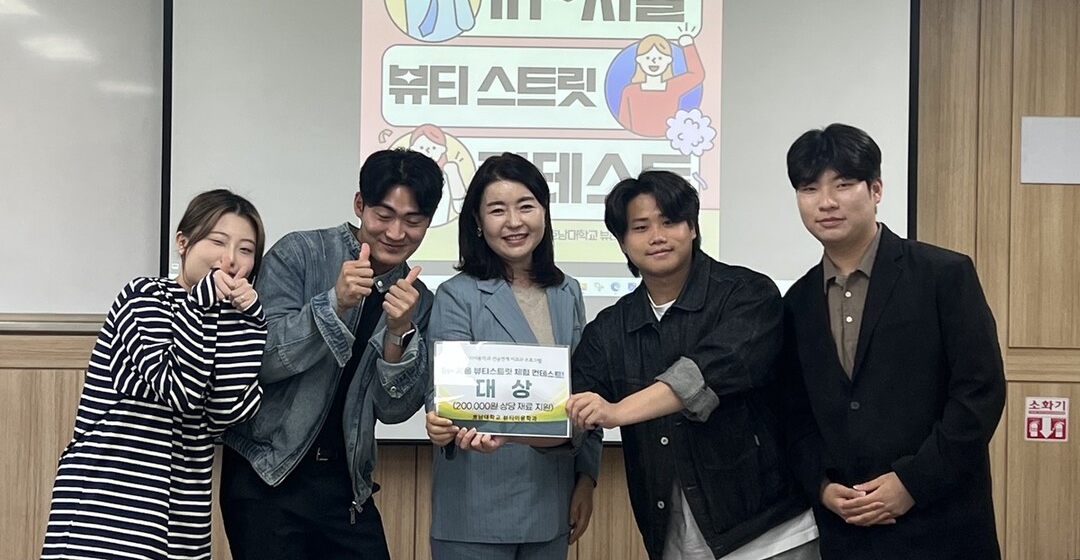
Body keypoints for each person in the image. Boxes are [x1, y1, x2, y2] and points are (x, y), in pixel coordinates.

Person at [782, 123, 1006, 559]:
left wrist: (912, 483)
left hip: (943, 524)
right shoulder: (796, 302)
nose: (825, 202)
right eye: (809, 188)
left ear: (876, 189)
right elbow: (793, 413)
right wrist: (822, 485)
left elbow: (980, 392)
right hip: (848, 532)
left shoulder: (944, 275)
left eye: (843, 184)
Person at [568, 171, 818, 560]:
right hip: (673, 538)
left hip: (771, 531)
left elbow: (704, 374)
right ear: (622, 241)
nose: (657, 236)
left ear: (693, 227)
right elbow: (570, 410)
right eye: (640, 227)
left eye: (669, 221)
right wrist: (505, 427)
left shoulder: (747, 294)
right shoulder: (609, 329)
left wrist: (615, 411)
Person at [220, 149, 443, 560]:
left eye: (413, 221)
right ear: (360, 205)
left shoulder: (418, 301)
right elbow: (260, 360)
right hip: (267, 474)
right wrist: (333, 303)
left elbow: (393, 411)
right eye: (384, 215)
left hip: (347, 488)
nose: (396, 232)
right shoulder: (300, 253)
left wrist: (399, 333)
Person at [42, 189, 268, 560]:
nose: (230, 258)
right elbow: (178, 388)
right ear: (183, 242)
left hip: (184, 516)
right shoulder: (144, 297)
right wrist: (201, 305)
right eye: (217, 241)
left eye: (245, 249)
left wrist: (250, 321)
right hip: (106, 503)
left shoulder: (233, 320)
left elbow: (227, 411)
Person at [424, 152, 602, 559]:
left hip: (551, 502)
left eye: (526, 206)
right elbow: (444, 396)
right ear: (477, 221)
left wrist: (587, 478)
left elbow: (585, 392)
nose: (514, 222)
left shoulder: (567, 292)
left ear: (544, 212)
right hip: (474, 508)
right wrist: (442, 421)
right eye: (497, 210)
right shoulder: (457, 295)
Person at [617, 33, 705, 138]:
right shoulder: (630, 91)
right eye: (648, 57)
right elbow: (623, 124)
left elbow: (697, 75)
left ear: (668, 60)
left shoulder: (673, 87)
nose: (654, 61)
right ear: (639, 60)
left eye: (659, 58)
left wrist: (688, 46)